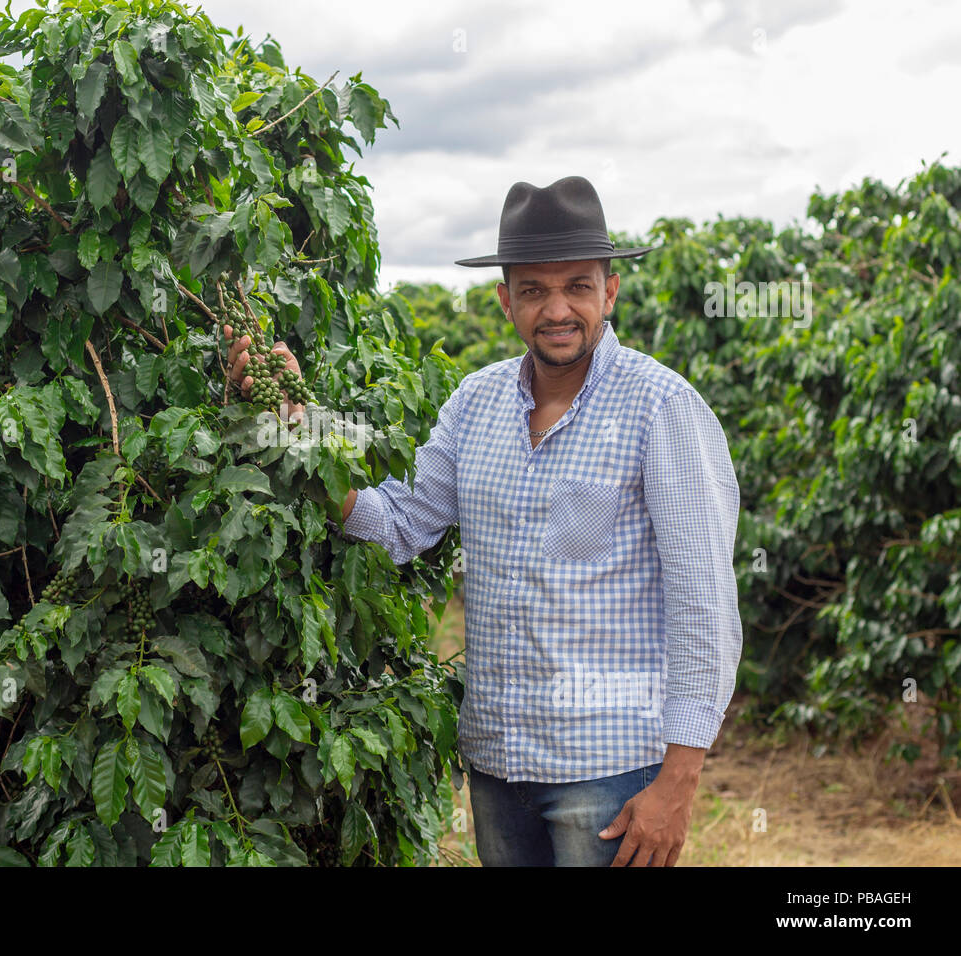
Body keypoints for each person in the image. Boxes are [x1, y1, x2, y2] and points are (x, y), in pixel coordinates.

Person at [222, 175, 742, 867]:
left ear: (610, 292)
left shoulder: (662, 408)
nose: (557, 309)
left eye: (577, 288)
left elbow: (704, 604)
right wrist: (295, 420)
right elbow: (398, 522)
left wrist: (677, 781)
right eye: (533, 290)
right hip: (499, 770)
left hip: (610, 769)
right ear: (506, 299)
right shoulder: (475, 404)